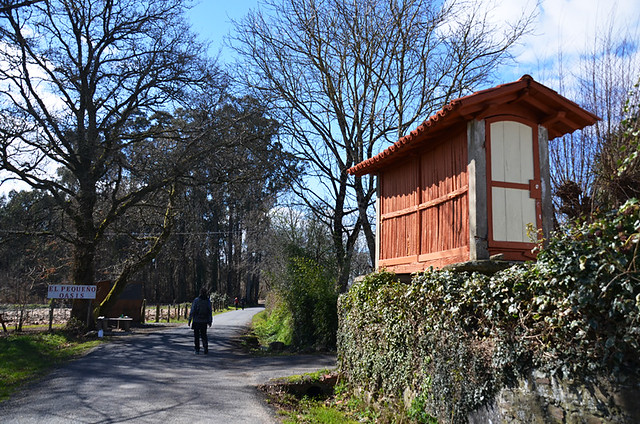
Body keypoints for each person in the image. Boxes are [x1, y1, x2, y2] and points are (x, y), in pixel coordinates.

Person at [188, 287, 213, 354]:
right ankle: (205, 347)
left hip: (196, 320)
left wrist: (190, 319)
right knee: (204, 335)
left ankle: (197, 349)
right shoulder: (207, 301)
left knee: (196, 336)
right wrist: (210, 321)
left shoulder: (196, 300)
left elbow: (192, 310)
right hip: (204, 321)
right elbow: (210, 311)